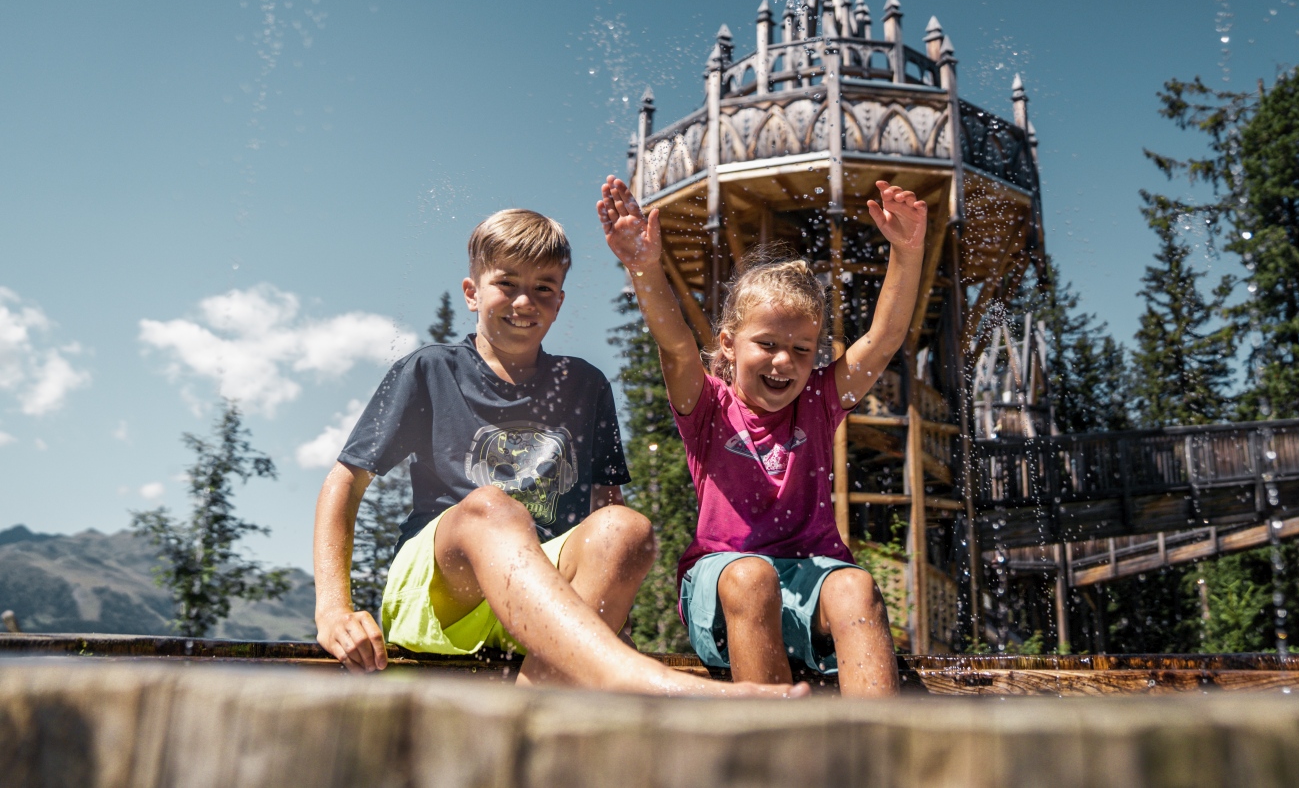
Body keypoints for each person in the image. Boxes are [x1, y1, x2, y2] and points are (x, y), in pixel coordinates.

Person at [313, 207, 806, 698]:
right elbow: (344, 482)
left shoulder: (585, 385)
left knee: (627, 527)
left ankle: (524, 714)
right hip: (444, 592)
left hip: (550, 603)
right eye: (507, 284)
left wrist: (612, 605)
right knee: (492, 507)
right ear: (472, 293)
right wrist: (333, 608)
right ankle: (633, 675)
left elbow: (603, 505)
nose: (525, 301)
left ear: (560, 301)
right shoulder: (430, 370)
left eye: (543, 288)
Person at [597, 174, 927, 697]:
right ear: (728, 344)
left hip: (809, 580)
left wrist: (907, 251)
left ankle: (876, 748)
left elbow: (883, 339)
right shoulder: (707, 408)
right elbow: (679, 346)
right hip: (725, 586)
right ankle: (773, 749)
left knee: (857, 586)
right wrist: (643, 265)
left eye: (802, 349)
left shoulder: (817, 404)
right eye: (767, 343)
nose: (783, 362)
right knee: (754, 577)